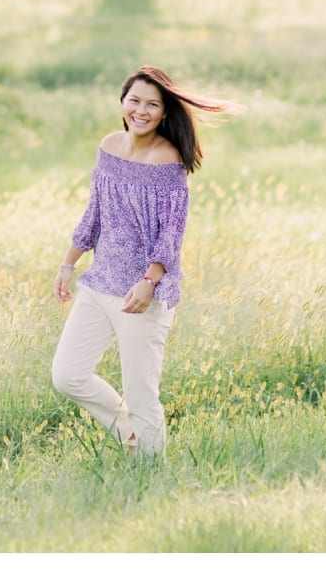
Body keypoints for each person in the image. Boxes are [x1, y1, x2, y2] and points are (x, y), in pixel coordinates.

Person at [51, 65, 227, 457]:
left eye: (152, 105)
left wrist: (149, 281)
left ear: (164, 113)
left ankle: (149, 474)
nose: (141, 111)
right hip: (98, 285)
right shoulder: (110, 145)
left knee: (141, 393)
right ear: (122, 103)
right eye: (135, 101)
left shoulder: (168, 162)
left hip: (141, 295)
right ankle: (130, 437)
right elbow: (93, 213)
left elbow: (171, 234)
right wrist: (68, 265)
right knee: (68, 376)